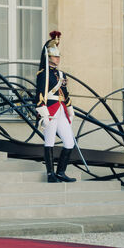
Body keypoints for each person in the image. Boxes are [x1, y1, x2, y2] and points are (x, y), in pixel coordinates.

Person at [35, 30, 76, 183]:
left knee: (69, 142)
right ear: (48, 57)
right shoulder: (43, 74)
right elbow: (40, 94)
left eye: (59, 56)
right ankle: (50, 174)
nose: (57, 59)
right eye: (54, 56)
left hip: (61, 110)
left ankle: (61, 172)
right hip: (50, 110)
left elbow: (65, 94)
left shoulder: (61, 75)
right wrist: (43, 114)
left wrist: (70, 110)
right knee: (49, 142)